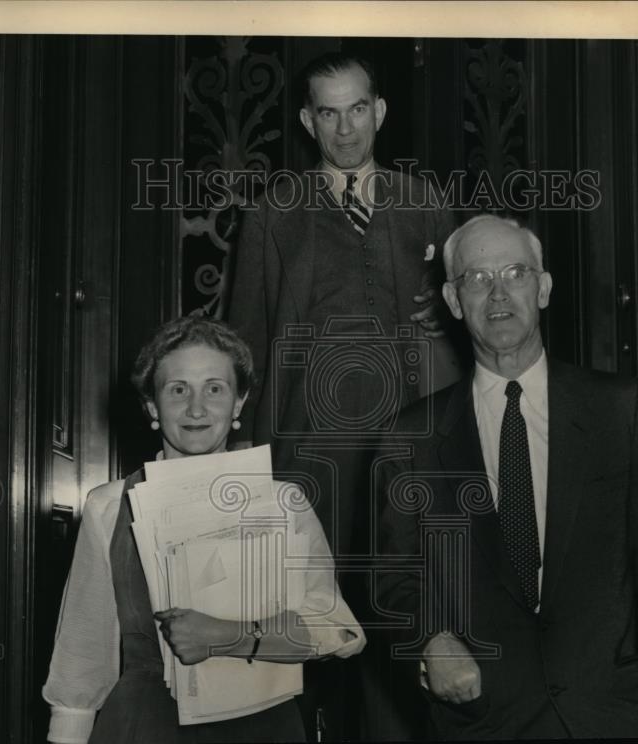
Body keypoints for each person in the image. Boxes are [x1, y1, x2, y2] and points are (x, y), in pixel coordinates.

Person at [375, 214, 638, 738]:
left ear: (542, 289)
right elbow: (392, 576)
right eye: (477, 278)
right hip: (483, 722)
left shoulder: (621, 412)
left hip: (612, 719)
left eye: (515, 273)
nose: (498, 294)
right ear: (452, 301)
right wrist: (430, 640)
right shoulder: (412, 437)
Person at [227, 52, 458, 740]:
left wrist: (448, 315)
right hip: (308, 451)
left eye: (358, 108)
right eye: (328, 112)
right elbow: (244, 334)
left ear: (379, 112)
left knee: (401, 619)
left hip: (407, 446)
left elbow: (468, 316)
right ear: (308, 120)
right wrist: (244, 452)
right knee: (302, 624)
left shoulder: (428, 205)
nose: (346, 128)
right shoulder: (275, 213)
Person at [42, 316, 365, 744]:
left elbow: (339, 632)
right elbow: (81, 655)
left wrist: (228, 636)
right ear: (152, 407)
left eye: (215, 388)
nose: (196, 408)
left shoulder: (283, 503)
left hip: (263, 726)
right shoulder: (108, 505)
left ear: (238, 403)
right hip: (144, 726)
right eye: (178, 390)